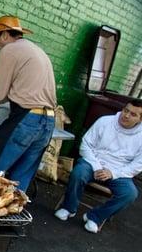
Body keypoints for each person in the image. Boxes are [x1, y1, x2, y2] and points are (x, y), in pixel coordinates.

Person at [0, 15, 57, 191]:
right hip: (48, 123)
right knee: (19, 181)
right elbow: (14, 91)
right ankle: (10, 213)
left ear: (5, 35)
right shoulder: (35, 50)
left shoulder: (11, 49)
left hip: (26, 120)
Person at [54, 100, 142, 233]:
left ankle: (95, 217)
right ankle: (69, 208)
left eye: (133, 114)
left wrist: (113, 173)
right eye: (126, 110)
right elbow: (85, 144)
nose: (126, 115)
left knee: (130, 194)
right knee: (78, 173)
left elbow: (138, 164)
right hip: (93, 162)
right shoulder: (105, 121)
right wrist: (97, 167)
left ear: (140, 120)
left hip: (118, 171)